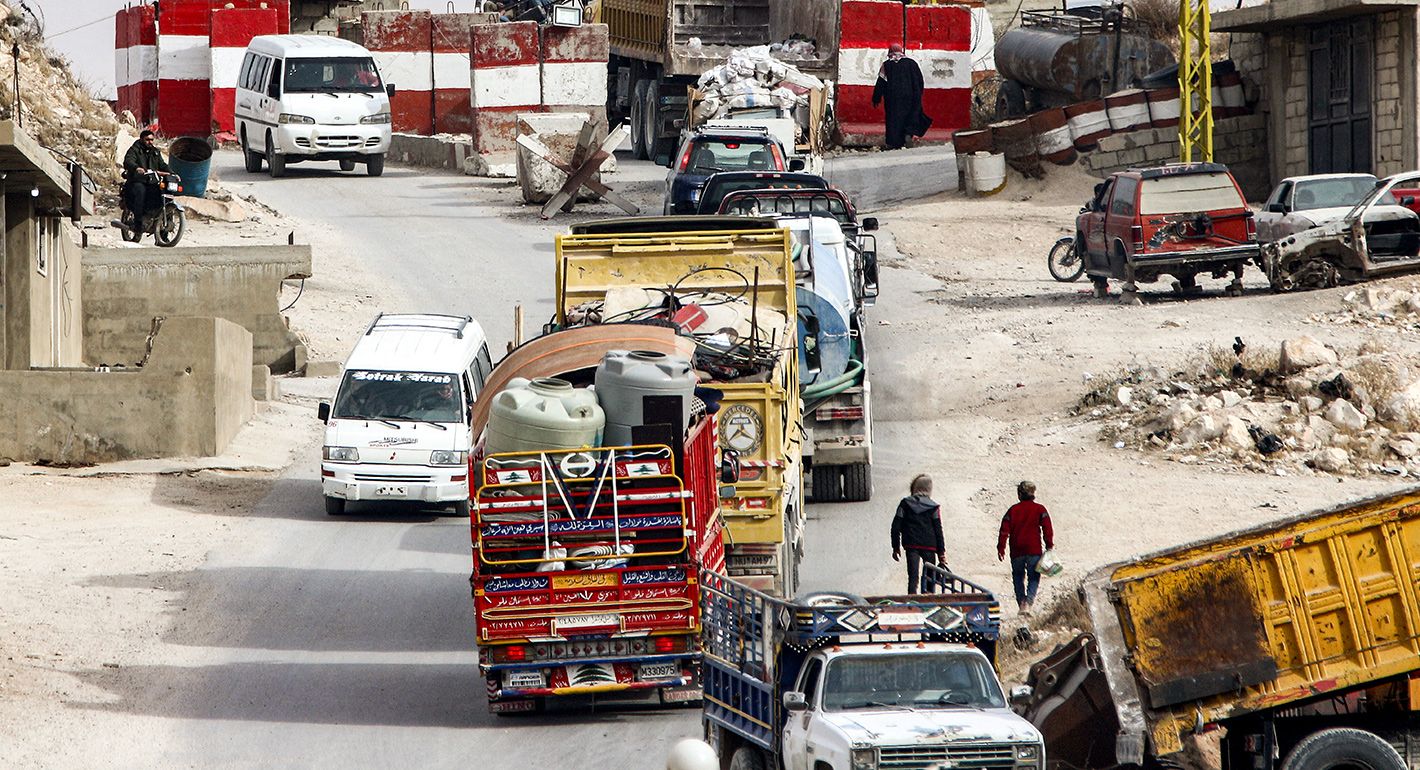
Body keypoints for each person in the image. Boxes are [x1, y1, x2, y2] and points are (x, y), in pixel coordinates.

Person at [997, 481, 1055, 614]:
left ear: (1019, 494)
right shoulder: (1040, 509)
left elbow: (1004, 530)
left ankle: (1021, 603)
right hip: (1033, 549)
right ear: (1033, 494)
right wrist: (1049, 545)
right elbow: (1047, 528)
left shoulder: (1012, 510)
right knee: (1034, 576)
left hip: (1016, 550)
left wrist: (1001, 548)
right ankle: (1028, 603)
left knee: (1018, 577)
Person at [891, 474, 946, 594]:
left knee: (913, 577)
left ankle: (912, 603)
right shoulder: (934, 507)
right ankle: (928, 603)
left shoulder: (905, 504)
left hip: (911, 546)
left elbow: (896, 526)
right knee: (930, 578)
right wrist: (941, 553)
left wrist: (896, 547)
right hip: (929, 547)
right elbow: (938, 530)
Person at [871, 43, 931, 150]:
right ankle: (908, 133)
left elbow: (881, 82)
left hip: (893, 98)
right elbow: (919, 80)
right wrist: (918, 94)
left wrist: (876, 97)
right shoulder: (912, 64)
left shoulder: (886, 65)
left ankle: (893, 143)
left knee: (894, 119)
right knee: (910, 116)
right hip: (911, 96)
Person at [122, 130, 169, 234]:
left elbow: (162, 165)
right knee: (140, 192)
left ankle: (161, 228)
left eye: (152, 139)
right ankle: (138, 224)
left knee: (162, 194)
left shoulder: (155, 152)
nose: (150, 142)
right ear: (141, 139)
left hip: (152, 181)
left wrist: (172, 173)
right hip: (137, 180)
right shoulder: (134, 149)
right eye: (147, 140)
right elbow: (128, 161)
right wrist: (136, 168)